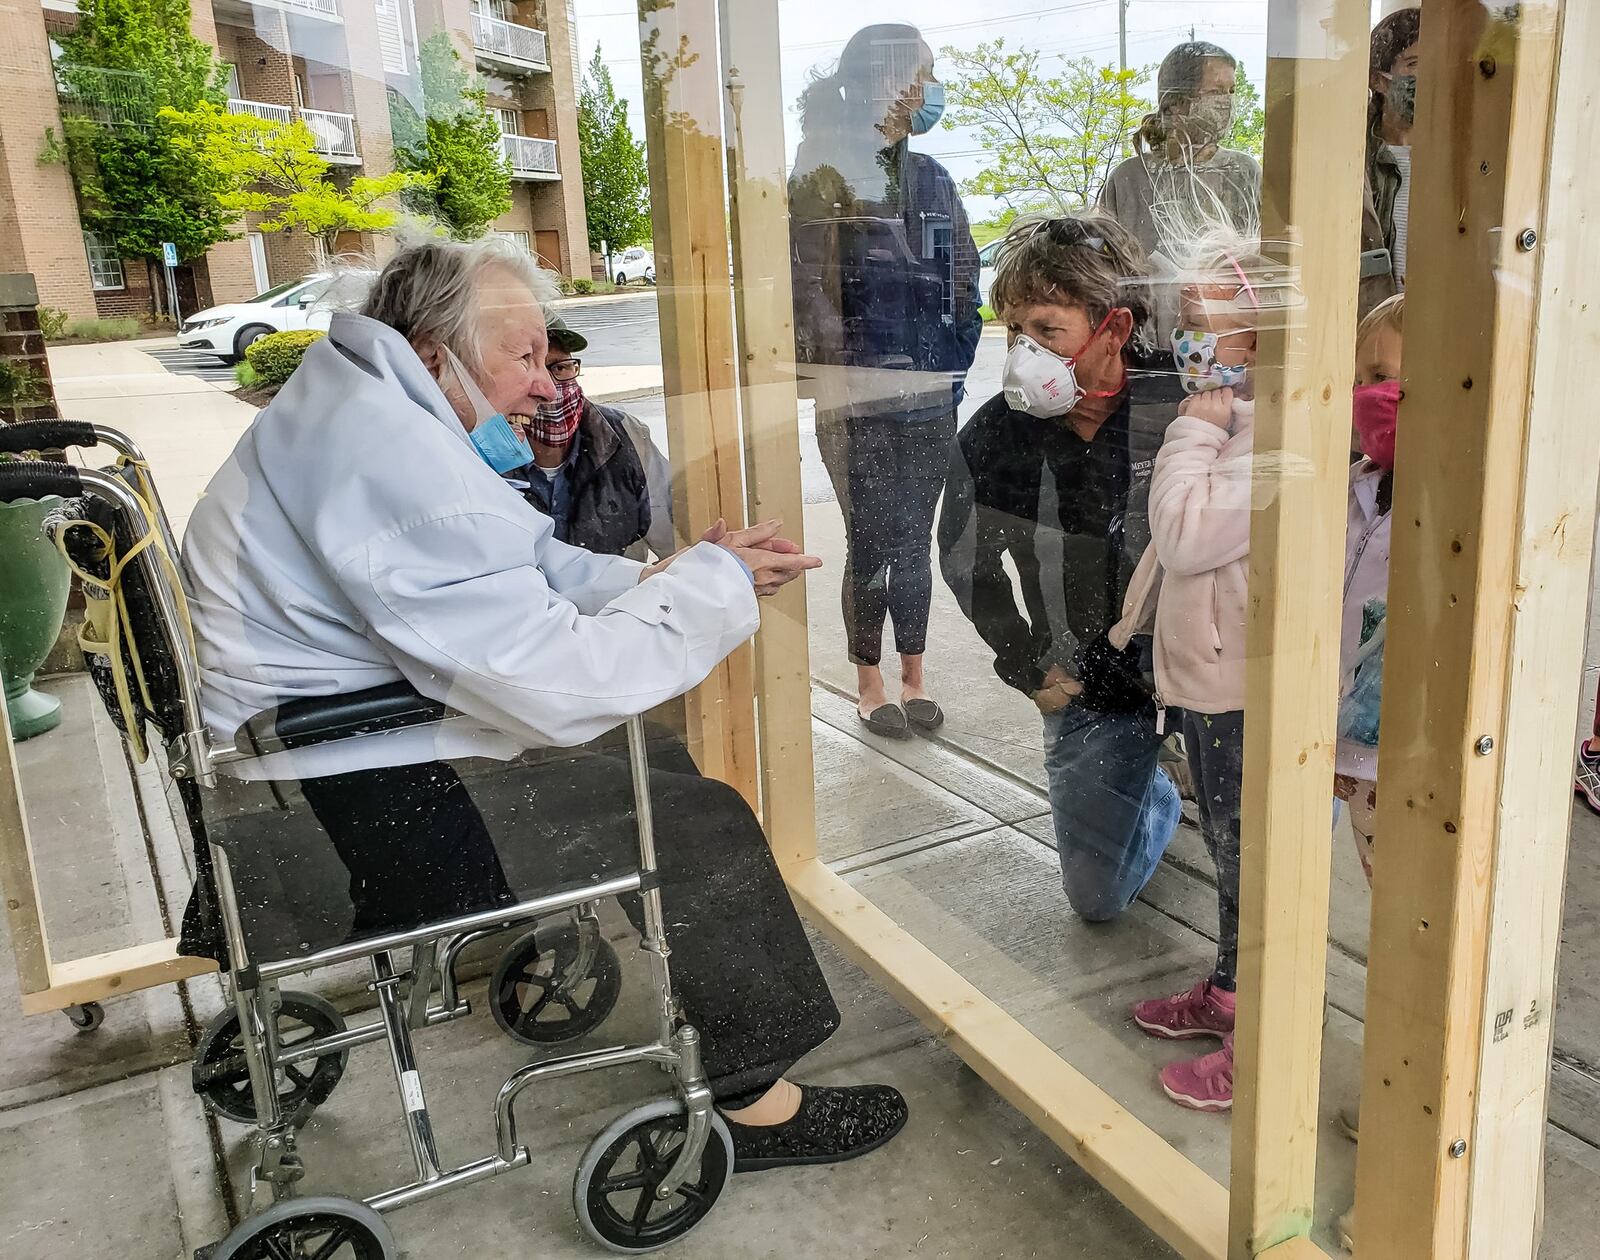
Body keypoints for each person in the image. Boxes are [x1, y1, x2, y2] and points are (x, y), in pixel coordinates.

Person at [179, 235, 908, 1172]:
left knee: (654, 766)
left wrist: (673, 573)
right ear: (434, 350)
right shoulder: (392, 461)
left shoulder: (365, 411)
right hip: (349, 811)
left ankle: (718, 1018)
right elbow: (557, 685)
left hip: (315, 762)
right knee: (696, 820)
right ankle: (753, 1099)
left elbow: (523, 562)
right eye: (521, 357)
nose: (542, 384)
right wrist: (705, 591)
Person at [938, 211, 1183, 923]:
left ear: (1114, 327)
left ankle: (1161, 766)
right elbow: (964, 559)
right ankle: (1155, 790)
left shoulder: (1181, 407)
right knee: (1098, 900)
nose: (1024, 353)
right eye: (1015, 332)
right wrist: (1030, 663)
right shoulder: (996, 433)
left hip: (1197, 671)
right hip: (1086, 684)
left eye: (1047, 330)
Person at [789, 23, 982, 738]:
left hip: (930, 399)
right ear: (890, 80)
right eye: (925, 73)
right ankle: (868, 683)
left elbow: (964, 275)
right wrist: (851, 377)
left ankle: (914, 678)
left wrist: (952, 366)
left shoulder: (931, 177)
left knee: (913, 542)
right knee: (870, 541)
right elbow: (810, 289)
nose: (931, 88)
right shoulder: (823, 171)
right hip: (858, 404)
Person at [1114, 232, 1265, 1112]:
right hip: (1213, 682)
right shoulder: (1238, 423)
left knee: (1254, 863)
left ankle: (1259, 1042)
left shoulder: (1264, 436)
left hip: (1246, 689)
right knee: (1228, 848)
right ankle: (1229, 990)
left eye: (1212, 326)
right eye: (1186, 324)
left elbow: (1184, 535)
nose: (1192, 346)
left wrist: (1190, 432)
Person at [1329, 292, 1403, 1252]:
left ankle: (1400, 1173)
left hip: (1421, 766)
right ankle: (1396, 1099)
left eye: (1405, 383)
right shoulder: (1359, 485)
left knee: (1420, 950)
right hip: (1367, 763)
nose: (1381, 400)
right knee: (1390, 939)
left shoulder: (1466, 503)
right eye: (1371, 379)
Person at [501, 314, 677, 560]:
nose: (550, 389)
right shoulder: (486, 448)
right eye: (531, 368)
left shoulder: (625, 435)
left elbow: (675, 537)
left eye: (561, 368)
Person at [1099, 41, 1261, 271]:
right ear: (1176, 103)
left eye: (1231, 91)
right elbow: (1104, 268)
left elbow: (1262, 261)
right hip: (1144, 306)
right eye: (1216, 91)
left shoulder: (1243, 171)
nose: (1226, 101)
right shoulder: (1129, 179)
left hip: (1225, 304)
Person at [1359, 8, 1421, 317]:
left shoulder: (1466, 159)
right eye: (1415, 64)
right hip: (1371, 334)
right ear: (1378, 79)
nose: (1429, 76)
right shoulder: (1351, 157)